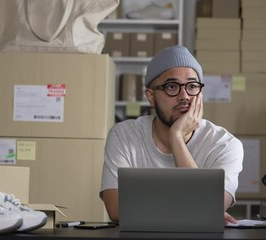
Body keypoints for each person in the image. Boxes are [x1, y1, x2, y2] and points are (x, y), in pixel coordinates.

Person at [99, 45, 244, 224]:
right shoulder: (123, 136)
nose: (184, 96)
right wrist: (194, 210)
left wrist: (176, 137)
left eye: (192, 86)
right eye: (172, 86)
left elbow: (212, 207)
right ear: (151, 96)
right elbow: (116, 210)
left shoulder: (225, 144)